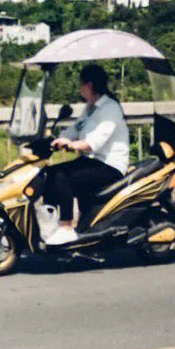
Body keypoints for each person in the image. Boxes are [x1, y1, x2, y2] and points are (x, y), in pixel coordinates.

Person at [43, 63, 129, 245]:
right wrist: (57, 139)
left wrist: (71, 145)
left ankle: (66, 227)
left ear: (89, 85)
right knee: (50, 172)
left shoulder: (110, 109)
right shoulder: (90, 109)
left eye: (80, 85)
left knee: (62, 175)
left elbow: (94, 143)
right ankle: (48, 226)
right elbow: (75, 129)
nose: (79, 89)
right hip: (93, 162)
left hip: (110, 166)